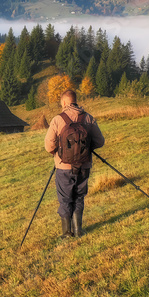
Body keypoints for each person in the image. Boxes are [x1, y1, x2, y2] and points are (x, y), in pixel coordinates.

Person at [44, 89, 105, 238]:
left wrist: (58, 153)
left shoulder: (58, 119)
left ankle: (66, 233)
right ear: (75, 101)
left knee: (65, 199)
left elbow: (49, 146)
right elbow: (100, 141)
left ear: (64, 102)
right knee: (79, 197)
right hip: (84, 166)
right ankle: (78, 231)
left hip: (63, 167)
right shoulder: (88, 118)